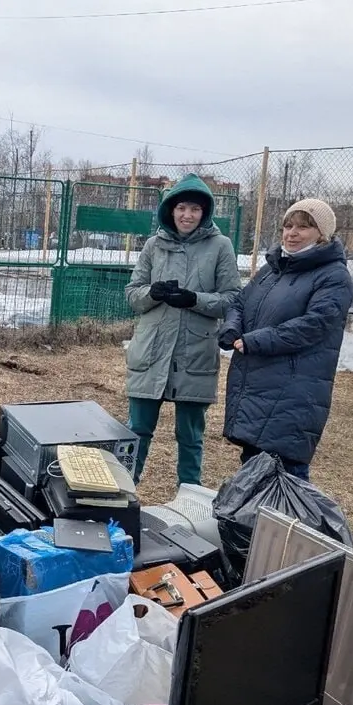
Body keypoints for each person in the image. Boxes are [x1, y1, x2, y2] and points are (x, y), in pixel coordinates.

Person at [219, 199, 353, 482]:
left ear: (322, 233)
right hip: (257, 386)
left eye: (303, 227)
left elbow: (314, 325)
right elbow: (239, 303)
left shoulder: (334, 276)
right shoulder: (273, 269)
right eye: (288, 225)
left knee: (286, 478)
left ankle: (288, 527)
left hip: (293, 392)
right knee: (253, 470)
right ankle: (252, 526)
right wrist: (232, 328)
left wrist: (257, 340)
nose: (292, 233)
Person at [124, 173, 242, 487]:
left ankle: (188, 498)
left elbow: (232, 299)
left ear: (205, 213)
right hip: (152, 351)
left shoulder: (220, 246)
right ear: (170, 210)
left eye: (194, 209)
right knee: (136, 430)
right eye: (181, 208)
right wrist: (153, 293)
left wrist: (194, 299)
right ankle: (123, 493)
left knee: (191, 436)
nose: (187, 215)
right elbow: (133, 294)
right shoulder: (153, 245)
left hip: (195, 354)